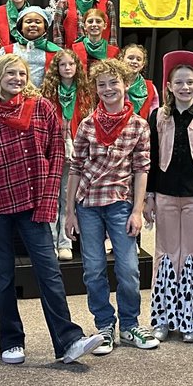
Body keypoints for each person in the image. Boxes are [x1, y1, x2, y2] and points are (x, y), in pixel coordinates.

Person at [0, 54, 103, 365]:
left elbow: (56, 159)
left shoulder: (43, 109)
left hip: (34, 205)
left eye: (21, 73)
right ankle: (11, 341)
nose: (16, 78)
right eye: (9, 74)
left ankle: (68, 339)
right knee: (2, 275)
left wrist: (47, 202)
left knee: (49, 272)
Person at [65, 58, 159, 354]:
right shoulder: (86, 125)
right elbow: (76, 168)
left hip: (121, 205)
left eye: (113, 83)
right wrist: (69, 212)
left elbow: (141, 169)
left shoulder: (139, 126)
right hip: (88, 205)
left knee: (129, 269)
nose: (107, 89)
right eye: (101, 84)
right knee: (93, 270)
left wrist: (137, 210)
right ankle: (105, 326)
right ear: (95, 89)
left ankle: (130, 325)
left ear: (125, 84)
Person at [145, 50, 193, 343]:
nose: (185, 87)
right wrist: (148, 196)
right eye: (179, 83)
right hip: (164, 195)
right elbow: (149, 158)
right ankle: (164, 318)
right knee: (165, 255)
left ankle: (192, 317)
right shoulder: (158, 116)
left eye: (190, 82)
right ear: (169, 86)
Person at [41, 48, 92, 262]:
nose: (68, 68)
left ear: (77, 67)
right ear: (57, 68)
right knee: (51, 198)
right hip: (53, 149)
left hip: (76, 150)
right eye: (63, 65)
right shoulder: (48, 91)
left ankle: (65, 242)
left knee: (67, 197)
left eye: (71, 64)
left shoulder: (85, 92)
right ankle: (51, 242)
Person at [4, 5, 61, 87]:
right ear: (21, 27)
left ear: (45, 28)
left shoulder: (56, 52)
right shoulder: (6, 51)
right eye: (28, 22)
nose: (33, 25)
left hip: (44, 97)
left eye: (38, 22)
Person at [122, 43, 159, 118]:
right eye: (130, 58)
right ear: (122, 59)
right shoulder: (113, 84)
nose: (134, 61)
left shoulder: (151, 88)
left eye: (138, 59)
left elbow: (154, 117)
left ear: (142, 64)